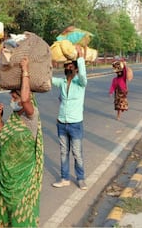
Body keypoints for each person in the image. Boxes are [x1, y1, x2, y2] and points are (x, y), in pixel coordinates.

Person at [0, 57, 44, 228]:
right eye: (11, 97)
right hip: (6, 177)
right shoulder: (13, 118)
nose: (13, 100)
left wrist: (25, 69)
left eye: (15, 97)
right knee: (3, 214)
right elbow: (4, 137)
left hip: (24, 180)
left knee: (21, 218)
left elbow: (26, 100)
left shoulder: (31, 117)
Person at [52, 45, 88, 190]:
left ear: (76, 69)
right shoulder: (61, 82)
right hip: (61, 123)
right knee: (63, 152)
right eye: (67, 66)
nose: (69, 68)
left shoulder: (80, 83)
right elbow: (48, 79)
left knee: (76, 153)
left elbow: (84, 77)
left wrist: (80, 58)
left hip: (75, 124)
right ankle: (65, 178)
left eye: (71, 66)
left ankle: (80, 178)